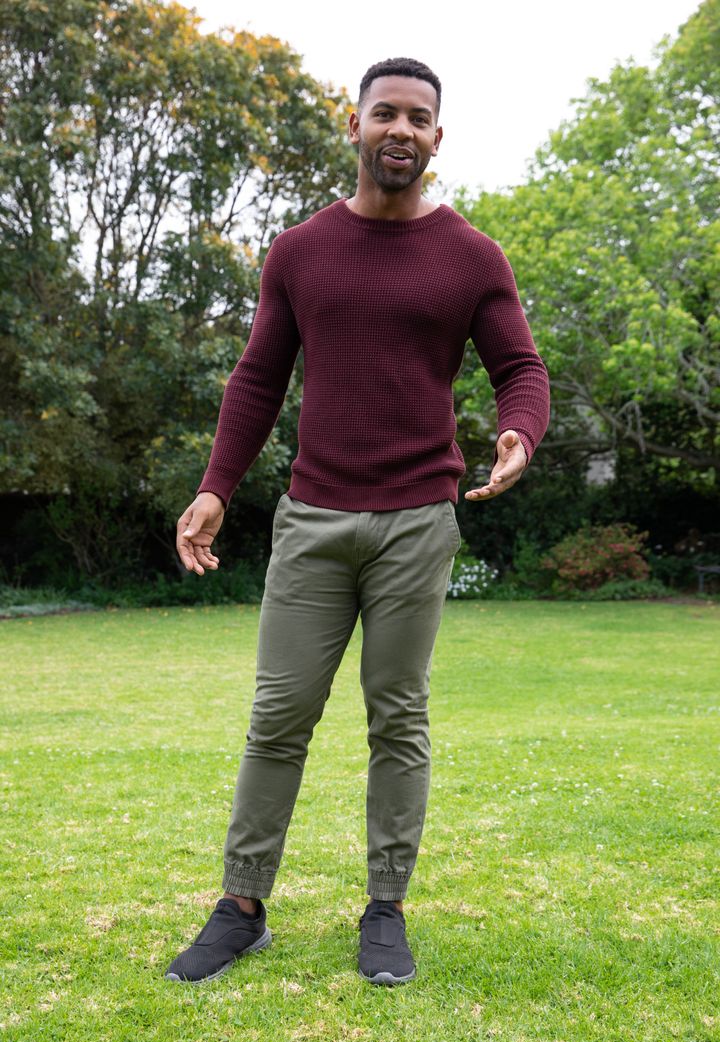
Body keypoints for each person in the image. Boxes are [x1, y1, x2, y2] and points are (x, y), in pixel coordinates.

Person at [164, 56, 550, 986]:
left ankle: (385, 909)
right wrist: (219, 484)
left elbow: (520, 370)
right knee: (278, 717)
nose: (402, 131)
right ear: (357, 124)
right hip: (312, 520)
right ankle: (242, 906)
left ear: (437, 138)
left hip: (420, 520)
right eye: (387, 113)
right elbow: (258, 378)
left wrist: (517, 435)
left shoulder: (471, 255)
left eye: (420, 118)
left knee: (398, 718)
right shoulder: (299, 250)